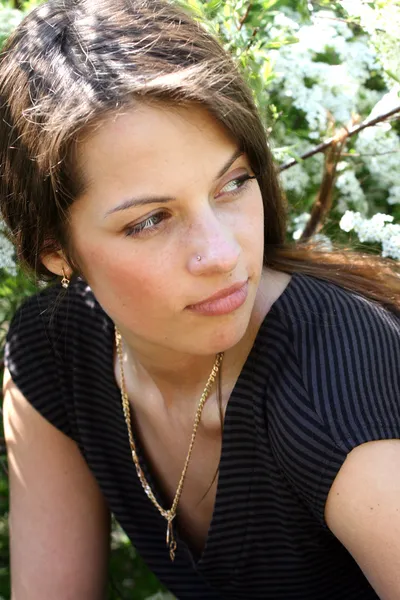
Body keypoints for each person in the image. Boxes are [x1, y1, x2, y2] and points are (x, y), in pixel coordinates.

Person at [0, 0, 399, 598]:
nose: (220, 254)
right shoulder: (56, 354)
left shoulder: (329, 384)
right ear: (57, 251)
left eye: (232, 184)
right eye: (151, 220)